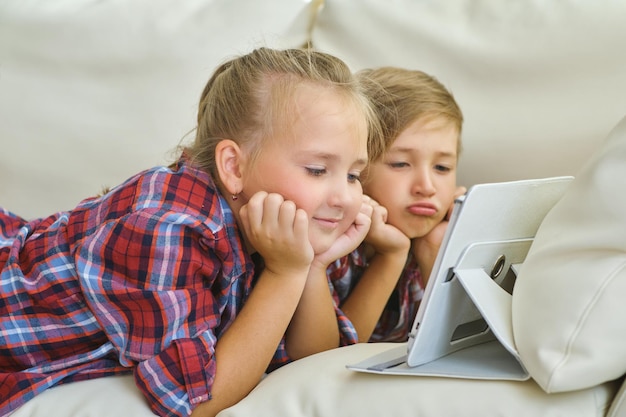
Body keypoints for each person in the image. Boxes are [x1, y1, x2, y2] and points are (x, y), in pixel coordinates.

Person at [0, 47, 384, 417]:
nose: (345, 196)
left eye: (353, 175)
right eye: (317, 170)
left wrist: (309, 266)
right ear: (233, 167)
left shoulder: (282, 231)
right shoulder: (166, 228)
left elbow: (313, 364)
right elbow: (195, 401)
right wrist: (285, 274)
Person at [327, 66, 465, 343]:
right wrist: (392, 256)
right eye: (400, 163)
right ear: (356, 168)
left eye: (442, 167)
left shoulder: (446, 235)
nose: (426, 186)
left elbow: (462, 343)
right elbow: (334, 351)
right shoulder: (331, 243)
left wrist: (433, 254)